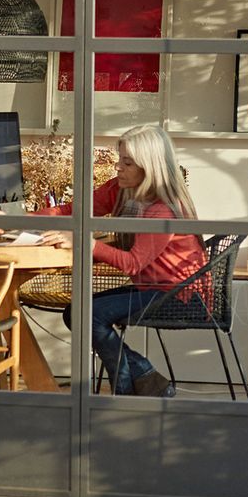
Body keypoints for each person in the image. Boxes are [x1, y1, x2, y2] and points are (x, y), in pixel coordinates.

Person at [41, 124, 205, 397]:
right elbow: (73, 209)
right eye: (120, 160)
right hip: (153, 287)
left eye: (127, 163)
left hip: (178, 295)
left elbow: (132, 263)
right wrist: (14, 221)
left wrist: (85, 243)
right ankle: (143, 375)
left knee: (89, 315)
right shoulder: (122, 191)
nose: (118, 167)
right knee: (77, 312)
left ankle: (126, 390)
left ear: (149, 167)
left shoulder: (162, 210)